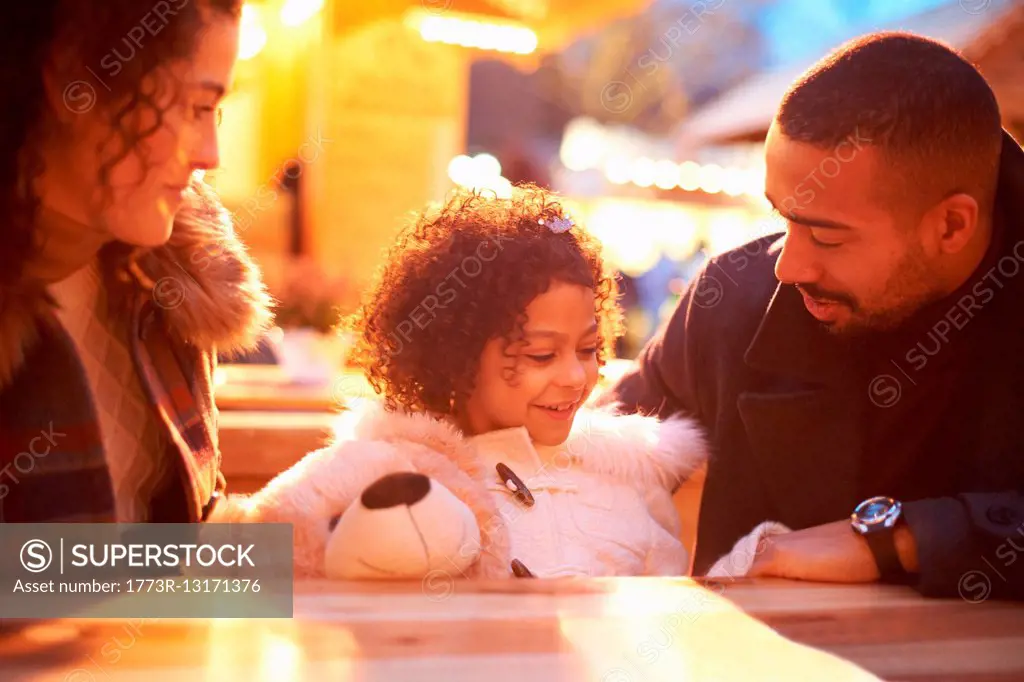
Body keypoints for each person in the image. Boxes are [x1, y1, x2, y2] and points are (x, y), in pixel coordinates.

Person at [600, 32, 1024, 600]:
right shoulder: (732, 301)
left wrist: (897, 539)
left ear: (951, 225)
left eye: (825, 235)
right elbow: (603, 461)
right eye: (783, 218)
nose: (787, 265)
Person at [321, 185, 710, 577]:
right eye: (541, 355)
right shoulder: (386, 477)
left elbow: (672, 607)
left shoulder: (629, 480)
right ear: (457, 356)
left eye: (588, 348)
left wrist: (748, 562)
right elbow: (262, 582)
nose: (576, 377)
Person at [0, 1, 271, 523]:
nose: (211, 154)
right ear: (71, 79)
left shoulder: (166, 286)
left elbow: (177, 547)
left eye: (215, 112)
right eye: (195, 106)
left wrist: (314, 528)